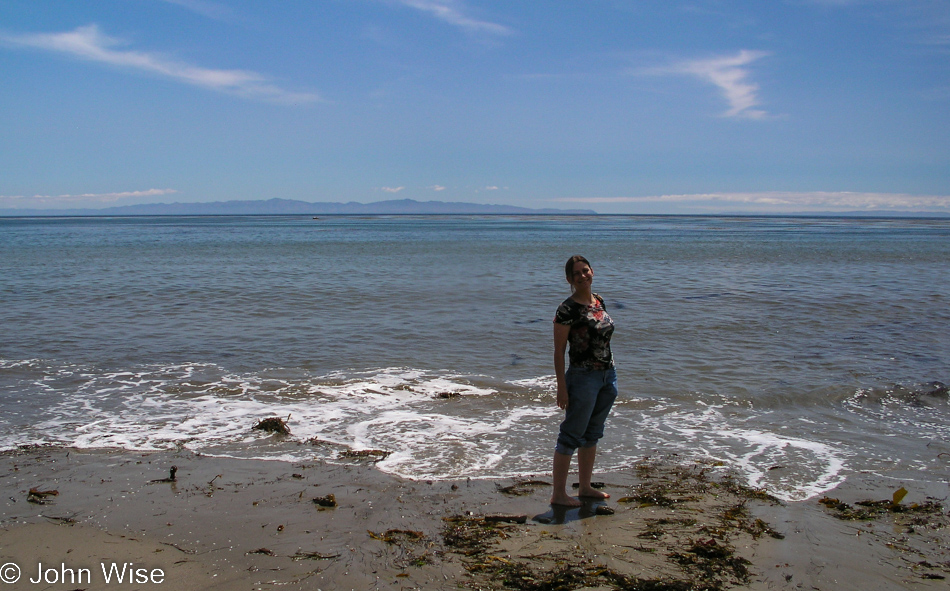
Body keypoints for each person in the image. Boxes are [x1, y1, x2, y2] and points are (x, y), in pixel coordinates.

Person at [550, 255, 618, 507]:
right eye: (576, 273)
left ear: (592, 272)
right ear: (569, 279)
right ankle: (558, 494)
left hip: (607, 376)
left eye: (585, 271)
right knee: (570, 436)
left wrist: (608, 373)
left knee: (592, 434)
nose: (582, 276)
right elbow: (558, 352)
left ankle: (585, 487)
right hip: (582, 378)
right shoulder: (566, 309)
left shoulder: (599, 300)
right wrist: (562, 388)